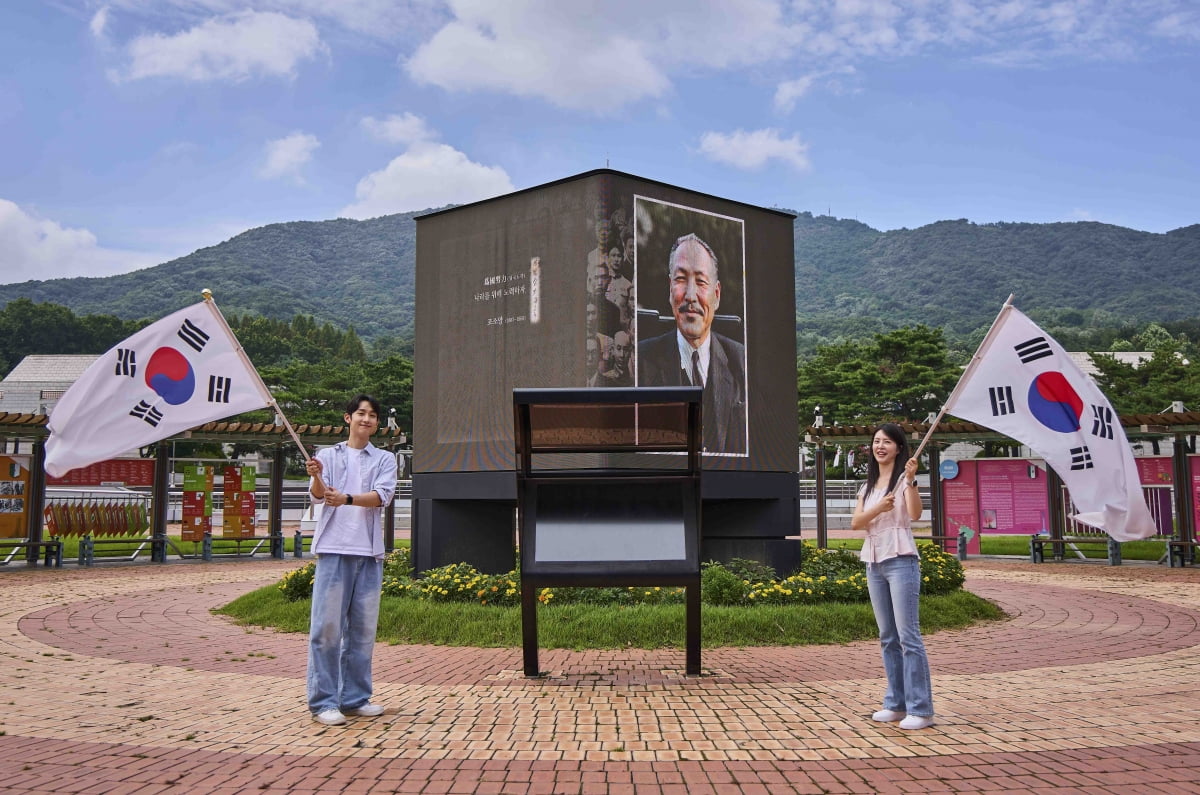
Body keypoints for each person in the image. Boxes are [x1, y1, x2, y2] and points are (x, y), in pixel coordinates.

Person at [304, 394, 398, 726]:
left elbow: (382, 497)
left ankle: (355, 698)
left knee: (362, 632)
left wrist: (345, 498)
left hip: (369, 555)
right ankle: (324, 702)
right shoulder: (327, 456)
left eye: (372, 415)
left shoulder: (385, 459)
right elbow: (317, 495)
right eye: (360, 413)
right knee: (326, 629)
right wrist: (316, 475)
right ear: (348, 418)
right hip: (333, 549)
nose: (366, 419)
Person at [850, 422, 934, 730]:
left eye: (887, 441)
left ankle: (921, 709)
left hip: (900, 560)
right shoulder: (868, 486)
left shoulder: (904, 481)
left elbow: (914, 515)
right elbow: (856, 522)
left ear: (899, 448)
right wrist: (878, 508)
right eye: (876, 441)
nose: (880, 446)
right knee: (888, 637)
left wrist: (910, 481)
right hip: (874, 562)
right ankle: (896, 704)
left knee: (908, 636)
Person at [638, 233, 746, 454]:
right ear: (670, 290)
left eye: (700, 281)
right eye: (680, 279)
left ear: (716, 294)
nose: (690, 295)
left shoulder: (744, 363)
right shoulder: (640, 360)